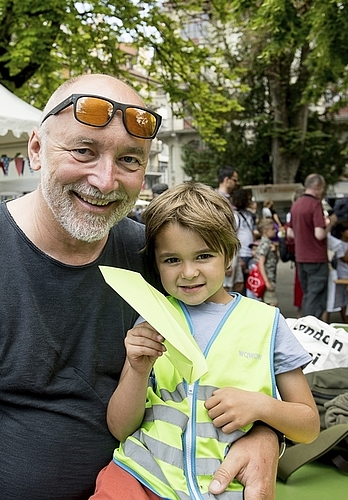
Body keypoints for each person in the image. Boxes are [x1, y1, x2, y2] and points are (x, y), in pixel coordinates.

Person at [0, 75, 282, 500]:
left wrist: (267, 434)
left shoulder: (153, 254)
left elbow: (232, 350)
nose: (105, 180)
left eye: (129, 160)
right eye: (84, 151)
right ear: (36, 149)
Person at [92, 182, 318, 500]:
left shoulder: (267, 324)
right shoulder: (151, 317)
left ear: (228, 255)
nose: (188, 272)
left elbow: (308, 425)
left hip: (223, 488)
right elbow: (120, 427)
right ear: (155, 263)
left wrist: (262, 407)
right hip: (140, 477)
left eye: (203, 256)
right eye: (171, 260)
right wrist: (137, 369)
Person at [288, 173, 337, 319]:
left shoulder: (296, 204)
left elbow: (290, 232)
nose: (323, 192)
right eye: (322, 188)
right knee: (316, 297)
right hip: (316, 258)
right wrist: (331, 223)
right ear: (317, 186)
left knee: (308, 295)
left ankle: (304, 324)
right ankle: (309, 328)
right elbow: (319, 234)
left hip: (301, 257)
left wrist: (303, 237)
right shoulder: (315, 204)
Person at [326, 220, 348, 323]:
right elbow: (345, 259)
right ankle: (345, 319)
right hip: (342, 273)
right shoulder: (339, 244)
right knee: (343, 298)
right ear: (342, 232)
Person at [232, 187, 256, 294]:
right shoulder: (236, 216)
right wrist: (238, 258)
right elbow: (233, 237)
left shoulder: (248, 214)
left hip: (250, 253)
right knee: (241, 286)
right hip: (242, 254)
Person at [253, 219, 280, 306]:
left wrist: (275, 251)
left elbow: (275, 260)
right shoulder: (265, 244)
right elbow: (261, 263)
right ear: (265, 231)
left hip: (270, 277)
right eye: (272, 229)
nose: (275, 230)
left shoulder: (269, 243)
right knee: (272, 303)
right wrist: (267, 281)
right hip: (267, 277)